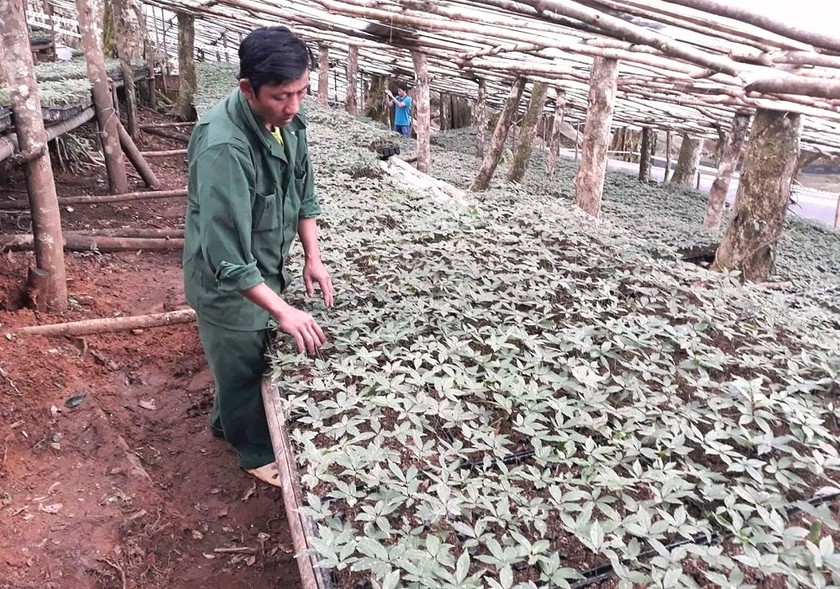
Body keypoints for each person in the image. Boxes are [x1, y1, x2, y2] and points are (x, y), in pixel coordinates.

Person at [183, 26, 334, 487]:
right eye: (281, 96)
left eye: (302, 92)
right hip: (226, 287)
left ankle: (223, 422)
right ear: (247, 88)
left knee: (240, 362)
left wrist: (313, 256)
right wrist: (283, 309)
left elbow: (302, 193)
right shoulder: (224, 147)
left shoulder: (288, 125)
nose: (293, 106)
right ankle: (253, 452)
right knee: (244, 366)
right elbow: (227, 257)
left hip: (265, 267)